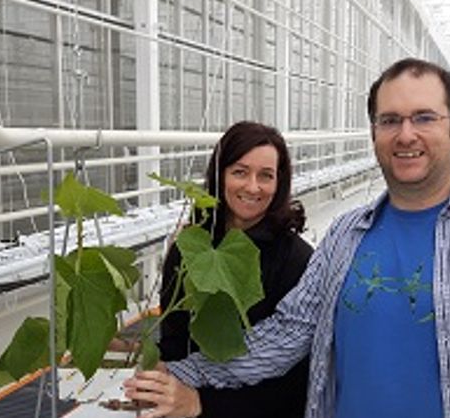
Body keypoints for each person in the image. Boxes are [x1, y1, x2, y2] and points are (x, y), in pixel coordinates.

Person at [128, 58, 450, 418]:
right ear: (374, 133)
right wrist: (182, 372)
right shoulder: (346, 236)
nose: (405, 134)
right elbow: (284, 336)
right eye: (389, 120)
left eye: (424, 117)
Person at [123, 121, 313, 418]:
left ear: (279, 183)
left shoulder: (297, 259)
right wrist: (161, 379)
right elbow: (174, 339)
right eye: (239, 172)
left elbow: (295, 378)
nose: (252, 187)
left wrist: (201, 404)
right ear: (220, 174)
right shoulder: (191, 246)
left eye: (266, 176)